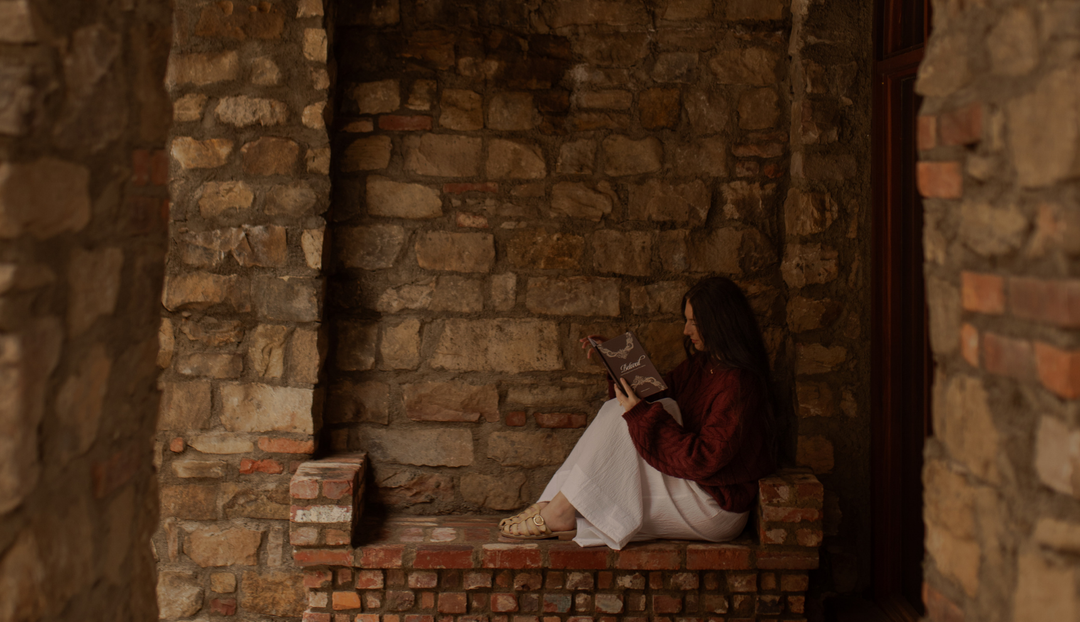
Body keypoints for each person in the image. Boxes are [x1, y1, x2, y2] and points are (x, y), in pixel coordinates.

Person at [498, 277, 777, 549]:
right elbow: (657, 395)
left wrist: (638, 413)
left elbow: (704, 459)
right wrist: (618, 360)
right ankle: (557, 509)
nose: (686, 331)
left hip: (716, 506)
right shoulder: (703, 366)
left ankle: (555, 510)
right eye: (687, 320)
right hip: (690, 487)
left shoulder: (741, 384)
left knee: (628, 424)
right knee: (622, 421)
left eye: (694, 321)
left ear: (720, 323)